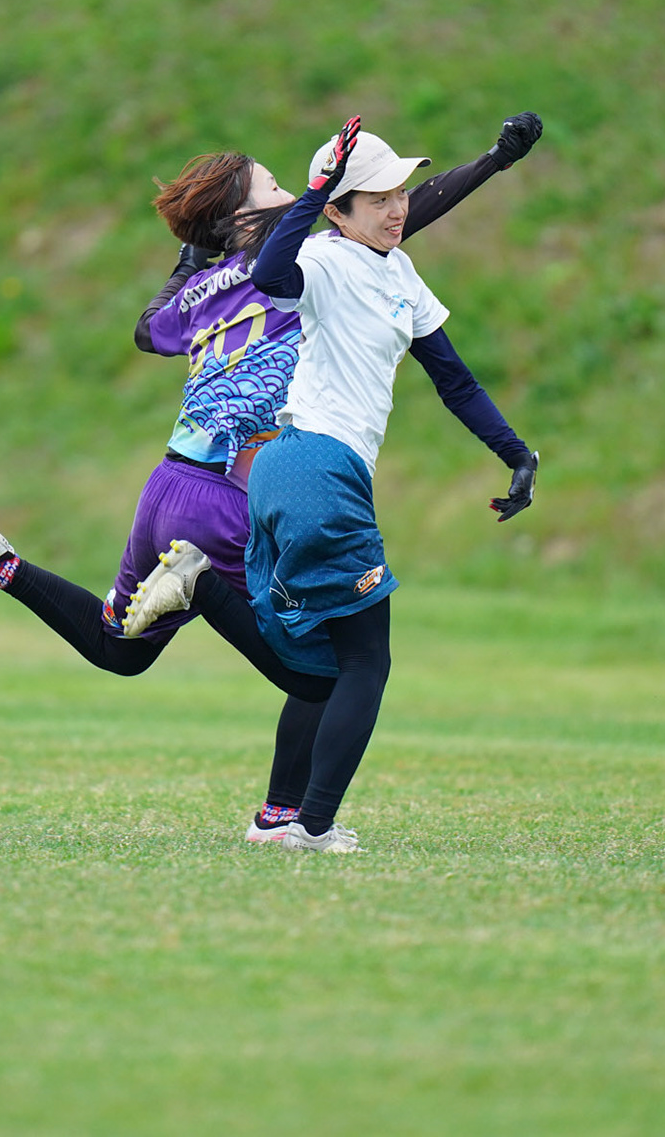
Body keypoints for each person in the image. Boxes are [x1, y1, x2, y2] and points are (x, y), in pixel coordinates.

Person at [0, 114, 542, 841]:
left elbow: (149, 330)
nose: (290, 191)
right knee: (321, 665)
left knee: (120, 651)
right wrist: (492, 163)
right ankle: (285, 810)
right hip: (233, 495)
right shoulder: (300, 261)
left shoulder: (203, 288)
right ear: (248, 217)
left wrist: (191, 256)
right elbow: (394, 215)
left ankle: (2, 565)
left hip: (168, 485)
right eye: (272, 186)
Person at [124, 117, 540, 852]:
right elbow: (270, 273)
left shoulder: (396, 272)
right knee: (365, 662)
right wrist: (316, 191)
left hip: (287, 470)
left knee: (315, 663)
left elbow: (454, 378)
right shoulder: (315, 255)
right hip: (315, 468)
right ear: (337, 212)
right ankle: (312, 825)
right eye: (378, 198)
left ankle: (278, 815)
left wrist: (516, 453)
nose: (398, 207)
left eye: (400, 192)